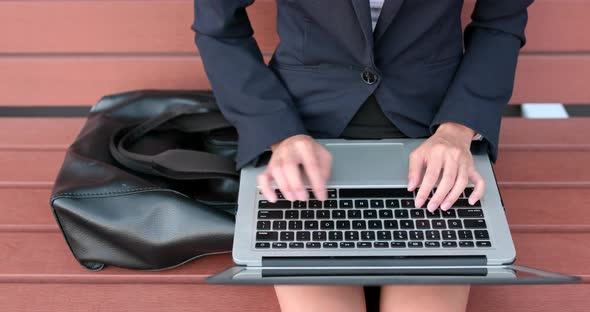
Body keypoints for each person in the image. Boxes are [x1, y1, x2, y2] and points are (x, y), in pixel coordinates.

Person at [192, 0, 532, 311]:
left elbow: (501, 20)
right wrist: (276, 131)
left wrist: (458, 128)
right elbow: (217, 25)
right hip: (303, 136)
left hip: (436, 135)